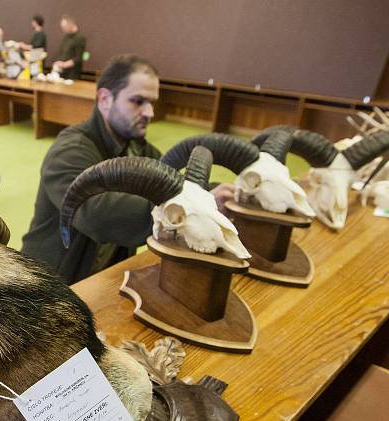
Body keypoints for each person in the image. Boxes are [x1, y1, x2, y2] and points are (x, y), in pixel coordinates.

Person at [21, 54, 235, 284]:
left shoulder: (136, 147)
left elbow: (176, 185)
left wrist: (214, 194)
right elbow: (95, 214)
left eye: (152, 102)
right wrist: (186, 210)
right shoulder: (69, 150)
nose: (150, 113)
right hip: (48, 285)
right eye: (138, 101)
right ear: (104, 99)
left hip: (103, 275)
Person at [53, 15, 86, 80]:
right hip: (62, 73)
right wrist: (58, 62)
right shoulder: (66, 37)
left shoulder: (80, 38)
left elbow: (78, 58)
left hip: (72, 75)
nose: (63, 30)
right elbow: (63, 53)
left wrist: (64, 64)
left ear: (70, 25)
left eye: (64, 27)